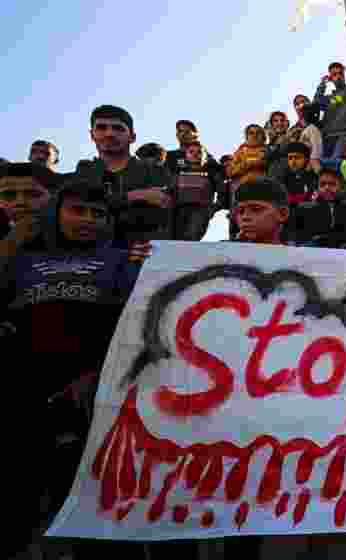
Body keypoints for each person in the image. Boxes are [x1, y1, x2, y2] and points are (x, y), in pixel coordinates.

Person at [2, 176, 151, 560]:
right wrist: (14, 239)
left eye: (97, 213)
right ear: (57, 213)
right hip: (24, 390)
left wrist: (97, 374)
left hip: (95, 393)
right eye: (77, 210)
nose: (87, 219)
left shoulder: (124, 259)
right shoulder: (22, 260)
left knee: (96, 504)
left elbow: (135, 321)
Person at [74, 105, 172, 243]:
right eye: (101, 127)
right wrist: (135, 196)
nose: (109, 134)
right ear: (92, 135)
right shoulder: (85, 170)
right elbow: (81, 212)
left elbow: (159, 214)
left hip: (145, 255)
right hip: (93, 255)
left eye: (118, 128)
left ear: (132, 137)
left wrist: (109, 203)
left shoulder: (155, 171)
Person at [293, 167, 346, 247]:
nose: (327, 188)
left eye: (332, 184)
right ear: (317, 188)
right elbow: (297, 238)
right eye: (322, 184)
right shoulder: (304, 209)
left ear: (341, 187)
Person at [170, 141, 221, 241]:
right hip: (178, 210)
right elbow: (170, 189)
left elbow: (223, 193)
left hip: (200, 211)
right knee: (175, 240)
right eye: (191, 152)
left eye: (199, 152)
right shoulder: (178, 171)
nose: (195, 155)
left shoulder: (211, 173)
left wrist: (213, 209)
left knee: (191, 239)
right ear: (186, 155)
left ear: (205, 156)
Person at [313, 61, 346, 160]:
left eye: (340, 73)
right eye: (334, 74)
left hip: (345, 136)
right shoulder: (331, 98)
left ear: (345, 76)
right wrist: (323, 83)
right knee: (326, 169)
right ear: (331, 78)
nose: (338, 76)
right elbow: (316, 103)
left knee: (335, 164)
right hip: (327, 137)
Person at [231, 177, 292, 245]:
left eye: (256, 209)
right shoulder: (224, 252)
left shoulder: (298, 254)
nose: (245, 217)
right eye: (241, 211)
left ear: (282, 214)